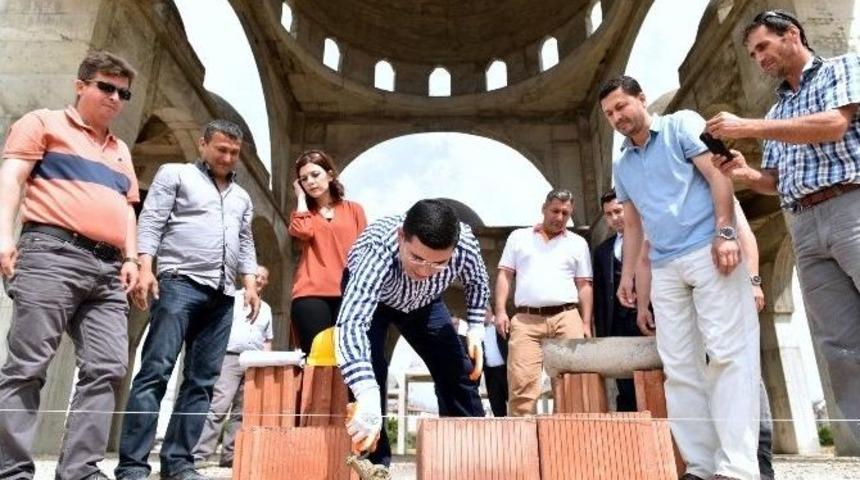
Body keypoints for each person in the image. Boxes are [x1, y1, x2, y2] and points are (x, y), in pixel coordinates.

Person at [705, 9, 860, 442]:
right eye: (753, 53)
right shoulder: (779, 108)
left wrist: (749, 126)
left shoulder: (842, 69)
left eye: (763, 47)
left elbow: (834, 125)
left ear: (791, 34)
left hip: (851, 206)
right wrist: (745, 174)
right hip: (804, 222)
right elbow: (773, 181)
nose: (759, 58)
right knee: (840, 343)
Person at [599, 75, 760, 480]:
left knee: (727, 354)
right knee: (679, 367)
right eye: (608, 114)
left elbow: (719, 175)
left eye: (621, 106)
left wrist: (725, 232)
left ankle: (737, 468)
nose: (617, 117)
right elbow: (634, 226)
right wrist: (629, 278)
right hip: (667, 266)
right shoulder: (622, 164)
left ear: (641, 98)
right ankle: (702, 466)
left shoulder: (681, 124)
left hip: (709, 250)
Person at [0, 50, 140, 480]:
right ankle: (12, 471)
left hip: (108, 270)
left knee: (109, 366)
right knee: (27, 365)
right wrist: (4, 236)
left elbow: (127, 208)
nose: (115, 97)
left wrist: (132, 257)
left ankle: (80, 470)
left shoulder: (120, 150)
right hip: (51, 252)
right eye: (106, 87)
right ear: (81, 86)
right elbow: (13, 177)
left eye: (123, 92)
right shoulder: (43, 123)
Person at [115, 120, 260, 480]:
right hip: (179, 284)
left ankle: (179, 462)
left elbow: (244, 243)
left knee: (202, 382)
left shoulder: (242, 197)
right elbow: (151, 221)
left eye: (234, 153)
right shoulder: (175, 174)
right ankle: (133, 465)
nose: (227, 157)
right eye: (221, 149)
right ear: (203, 145)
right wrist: (145, 267)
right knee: (155, 372)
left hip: (223, 295)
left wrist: (251, 283)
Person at [336, 199, 490, 467]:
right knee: (370, 372)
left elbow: (477, 282)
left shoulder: (464, 243)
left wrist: (476, 328)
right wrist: (365, 391)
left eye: (438, 264)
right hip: (376, 302)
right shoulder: (377, 248)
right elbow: (351, 325)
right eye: (416, 257)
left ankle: (467, 456)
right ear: (401, 237)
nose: (424, 270)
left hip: (424, 302)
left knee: (457, 369)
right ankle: (373, 464)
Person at [636, 203, 775, 480]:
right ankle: (705, 466)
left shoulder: (709, 186)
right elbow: (644, 253)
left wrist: (754, 281)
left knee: (735, 368)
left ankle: (757, 462)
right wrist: (643, 304)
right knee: (686, 371)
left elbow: (743, 233)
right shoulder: (654, 198)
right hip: (678, 286)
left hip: (721, 278)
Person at [494, 188, 593, 416]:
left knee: (571, 384)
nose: (559, 217)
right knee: (522, 385)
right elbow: (504, 276)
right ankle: (521, 444)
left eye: (565, 213)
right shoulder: (518, 238)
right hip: (526, 320)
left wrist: (586, 322)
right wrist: (500, 311)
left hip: (566, 317)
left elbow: (584, 285)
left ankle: (565, 442)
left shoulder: (578, 243)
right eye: (555, 211)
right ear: (544, 209)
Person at [193, 265, 273, 468]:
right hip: (230, 357)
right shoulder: (233, 299)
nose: (260, 280)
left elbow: (267, 339)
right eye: (257, 276)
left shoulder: (267, 309)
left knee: (241, 411)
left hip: (254, 362)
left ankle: (230, 457)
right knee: (218, 406)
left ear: (267, 282)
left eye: (264, 278)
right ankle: (200, 455)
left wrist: (266, 362)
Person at [289, 150, 366, 354]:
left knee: (348, 359)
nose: (310, 182)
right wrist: (300, 199)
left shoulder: (354, 210)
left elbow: (364, 250)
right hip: (310, 293)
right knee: (316, 361)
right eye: (304, 179)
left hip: (348, 293)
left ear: (330, 175)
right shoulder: (302, 214)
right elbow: (303, 232)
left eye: (315, 175)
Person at [592, 189, 643, 412]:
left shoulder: (650, 237)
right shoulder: (603, 251)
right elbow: (601, 295)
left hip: (651, 321)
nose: (615, 218)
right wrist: (603, 334)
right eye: (609, 214)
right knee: (626, 385)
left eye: (618, 211)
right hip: (619, 326)